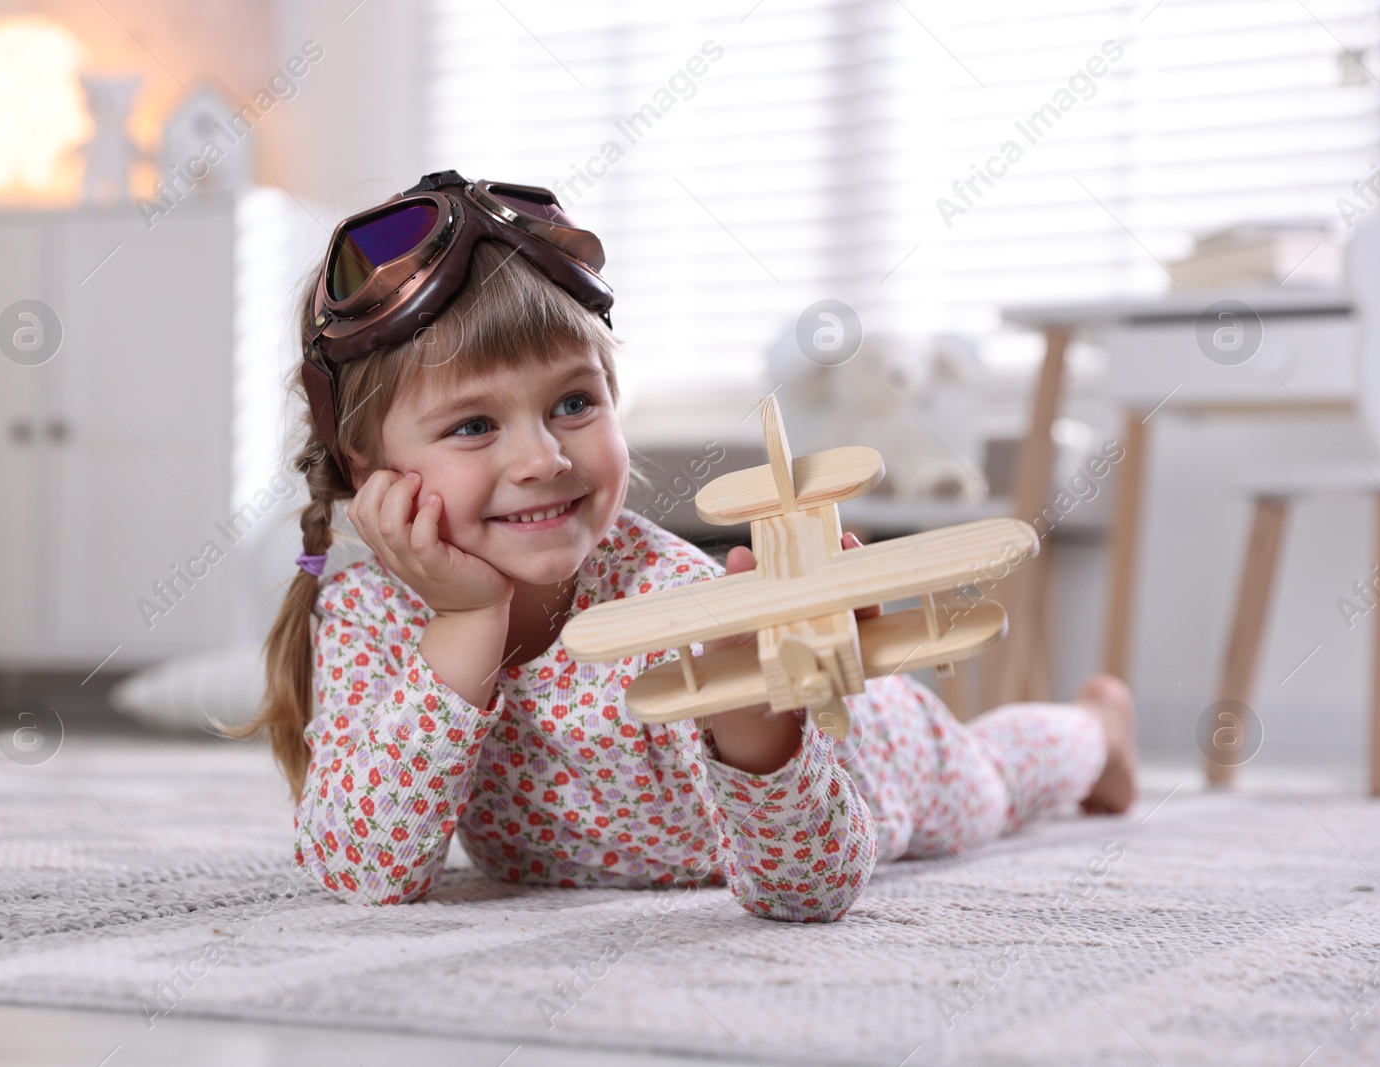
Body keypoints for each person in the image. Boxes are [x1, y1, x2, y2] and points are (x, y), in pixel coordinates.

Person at [233, 171, 1140, 922]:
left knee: (991, 779)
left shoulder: (676, 597)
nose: (544, 458)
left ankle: (1098, 729)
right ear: (367, 463)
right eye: (473, 423)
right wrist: (469, 617)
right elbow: (363, 870)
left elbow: (808, 889)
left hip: (879, 759)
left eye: (575, 403)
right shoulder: (365, 613)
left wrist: (753, 723)